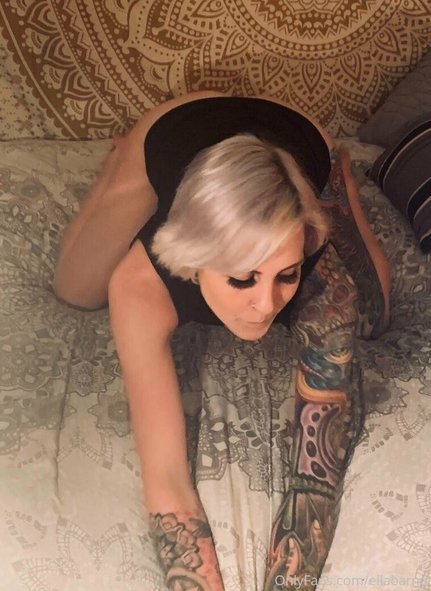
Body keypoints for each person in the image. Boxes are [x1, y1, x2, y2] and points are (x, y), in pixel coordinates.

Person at [53, 91, 391, 590]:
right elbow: (166, 481)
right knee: (77, 290)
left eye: (287, 274)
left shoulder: (325, 294)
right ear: (195, 262)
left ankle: (336, 184)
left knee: (374, 315)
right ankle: (124, 156)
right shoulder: (140, 286)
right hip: (178, 127)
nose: (266, 305)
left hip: (295, 126)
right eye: (241, 278)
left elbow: (313, 486)